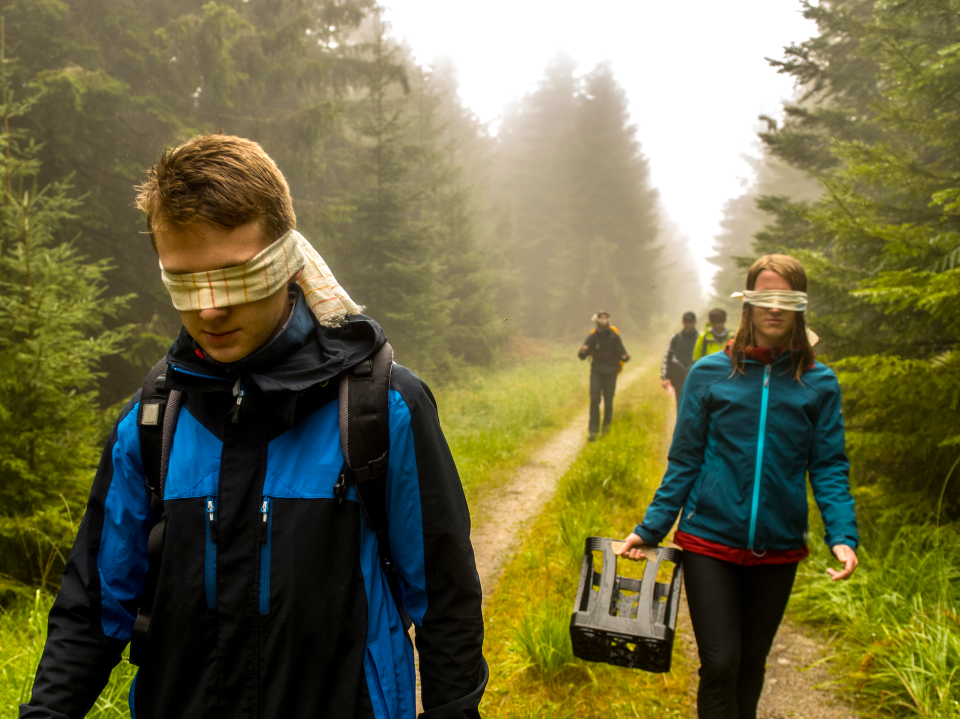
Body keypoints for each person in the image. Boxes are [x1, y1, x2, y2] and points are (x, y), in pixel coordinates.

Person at [21, 134, 487, 719]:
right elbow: (94, 608)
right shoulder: (154, 418)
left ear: (290, 262)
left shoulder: (380, 408)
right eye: (184, 283)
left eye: (235, 276)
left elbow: (445, 603)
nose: (209, 309)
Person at [616, 254, 859, 719]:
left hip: (779, 546)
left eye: (785, 298)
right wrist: (650, 529)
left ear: (800, 306)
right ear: (747, 302)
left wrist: (842, 535)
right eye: (764, 297)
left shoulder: (818, 382)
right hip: (709, 540)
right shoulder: (710, 373)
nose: (774, 308)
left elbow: (828, 465)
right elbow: (684, 459)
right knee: (721, 662)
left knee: (751, 662)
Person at [578, 311, 631, 440]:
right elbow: (582, 356)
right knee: (595, 399)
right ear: (597, 322)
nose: (604, 323)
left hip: (611, 372)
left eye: (606, 320)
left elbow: (621, 352)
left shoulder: (614, 336)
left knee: (608, 401)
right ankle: (593, 432)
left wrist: (625, 357)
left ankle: (606, 430)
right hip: (596, 372)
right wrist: (583, 351)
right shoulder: (593, 336)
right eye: (602, 321)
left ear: (609, 321)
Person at [660, 311, 699, 413]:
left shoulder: (700, 338)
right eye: (685, 321)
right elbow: (668, 357)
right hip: (678, 376)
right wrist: (665, 377)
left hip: (695, 376)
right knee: (680, 404)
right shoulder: (676, 338)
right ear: (682, 322)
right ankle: (681, 428)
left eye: (690, 321)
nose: (688, 324)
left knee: (696, 405)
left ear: (695, 322)